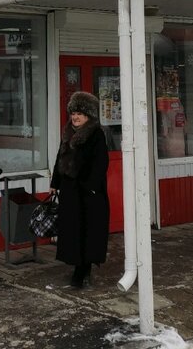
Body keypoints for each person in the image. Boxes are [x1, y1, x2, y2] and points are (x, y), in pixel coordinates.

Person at [51, 91, 110, 288]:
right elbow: (60, 158)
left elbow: (101, 163)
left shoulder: (96, 134)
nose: (75, 117)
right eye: (73, 113)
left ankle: (84, 270)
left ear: (89, 115)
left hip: (88, 193)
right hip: (70, 191)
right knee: (73, 231)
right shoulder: (68, 132)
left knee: (88, 231)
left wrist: (91, 187)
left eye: (80, 114)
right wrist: (55, 183)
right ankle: (77, 266)